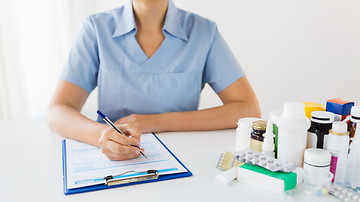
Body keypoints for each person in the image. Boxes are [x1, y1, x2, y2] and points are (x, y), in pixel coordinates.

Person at [47, 0, 261, 161]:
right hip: (114, 163)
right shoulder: (96, 29)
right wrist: (102, 135)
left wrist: (155, 121)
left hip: (185, 159)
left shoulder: (204, 32)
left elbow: (247, 109)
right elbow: (58, 110)